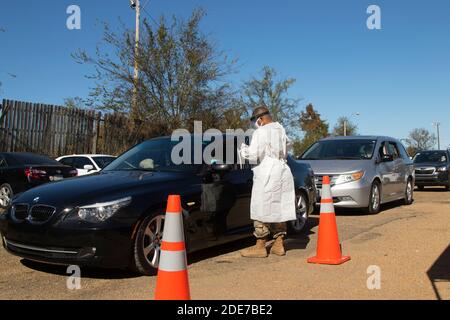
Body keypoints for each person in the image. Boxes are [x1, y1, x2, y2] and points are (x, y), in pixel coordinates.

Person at [239, 106, 296, 258]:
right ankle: (279, 244)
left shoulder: (261, 132)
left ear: (260, 120)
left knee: (260, 207)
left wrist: (243, 149)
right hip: (283, 171)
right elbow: (289, 145)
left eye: (255, 122)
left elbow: (253, 154)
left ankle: (260, 246)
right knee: (279, 207)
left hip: (267, 172)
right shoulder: (280, 129)